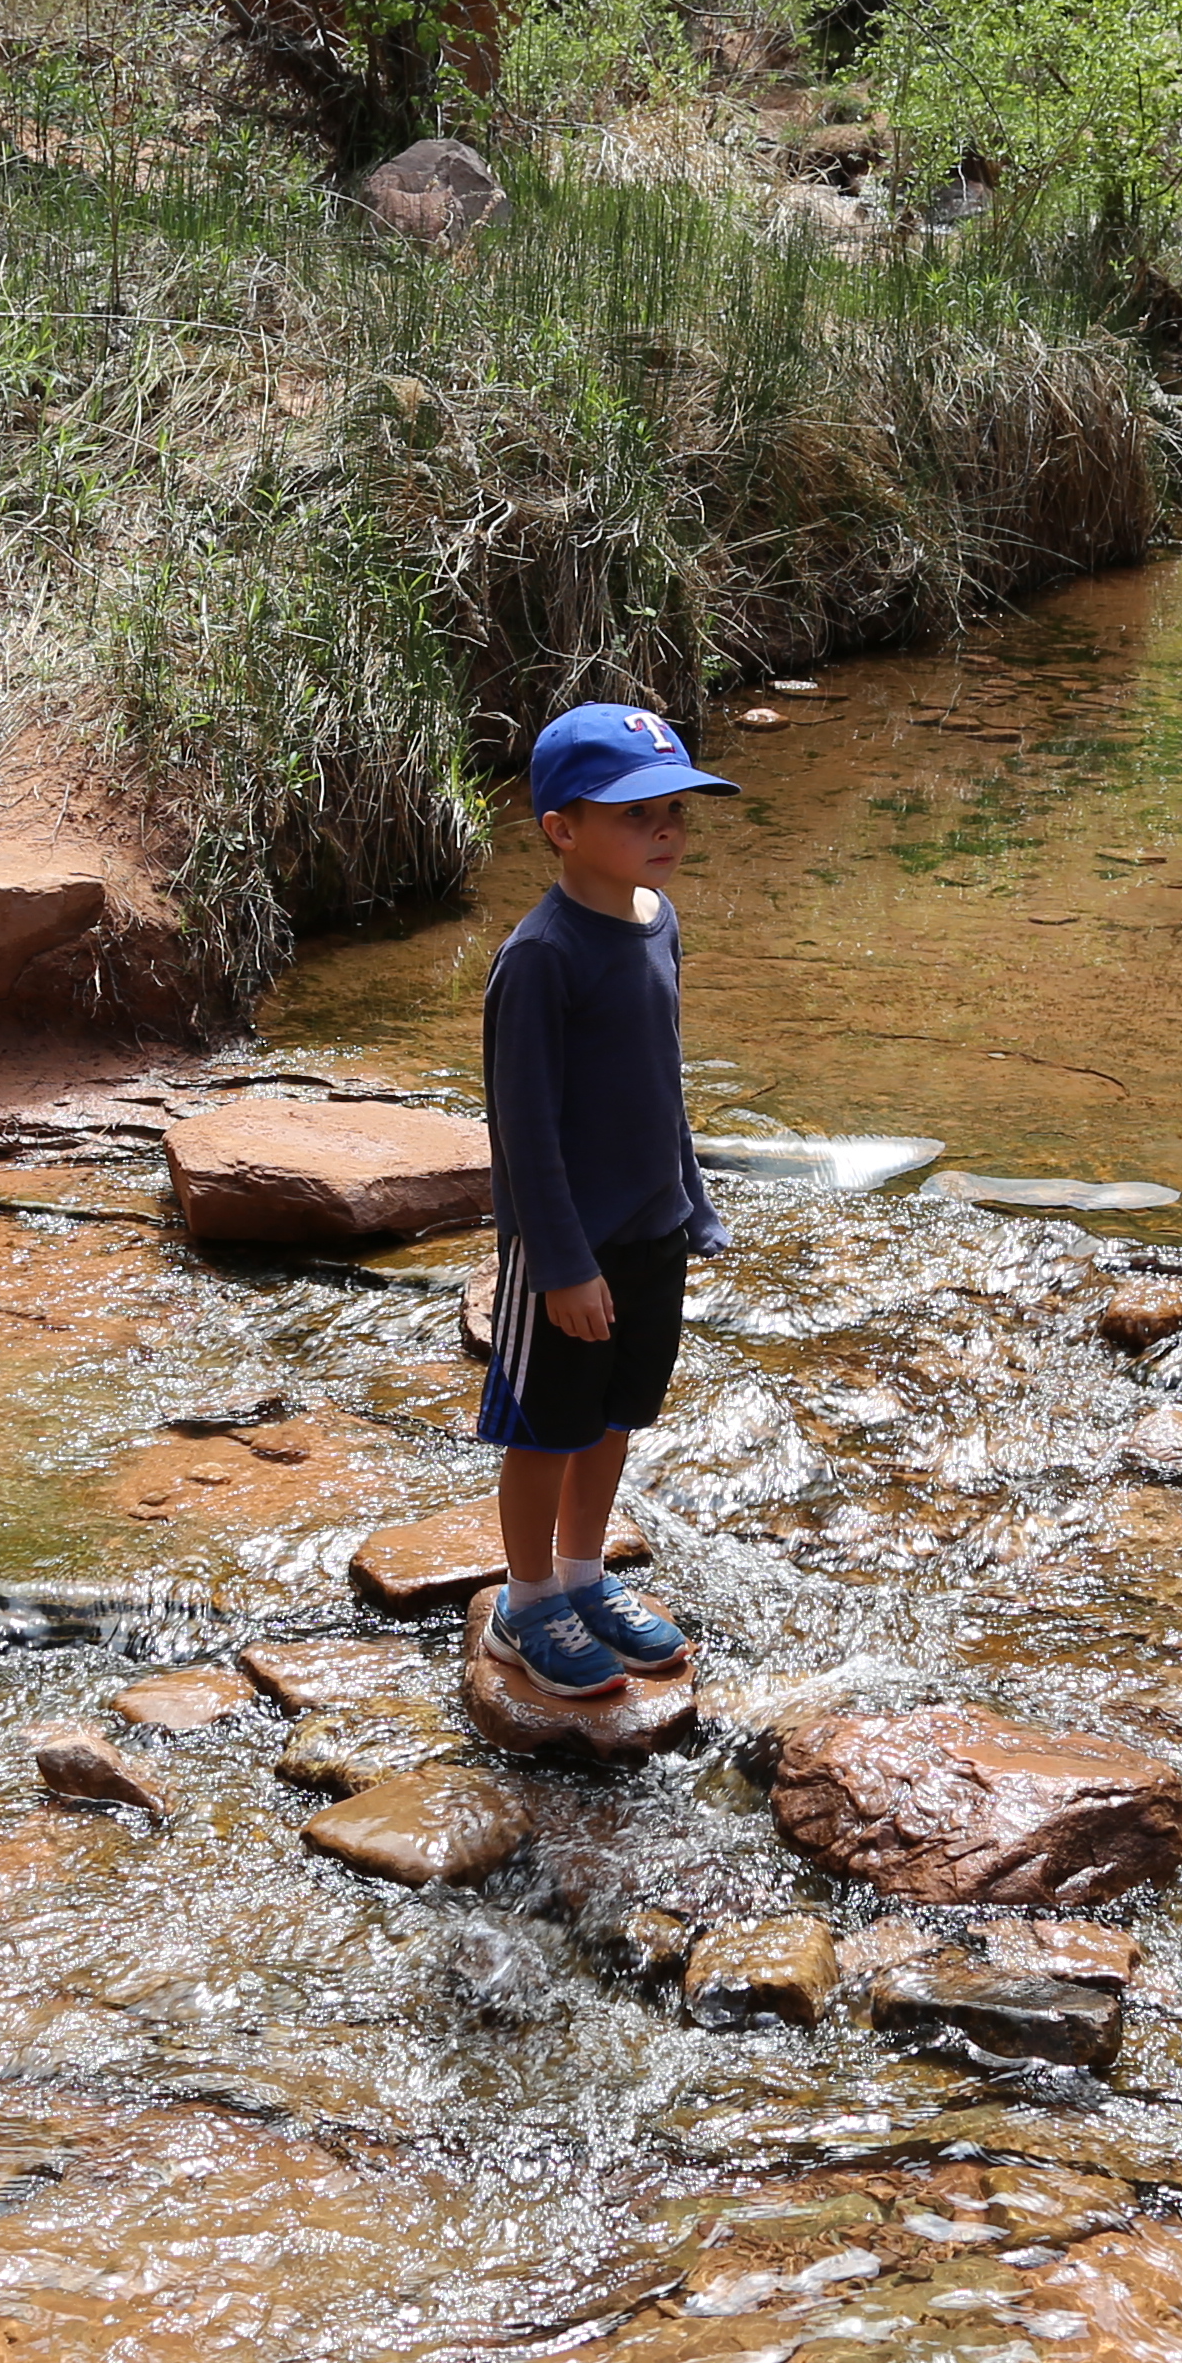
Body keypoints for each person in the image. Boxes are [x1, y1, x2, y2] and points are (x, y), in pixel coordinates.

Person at [475, 700, 740, 1694]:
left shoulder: (658, 921)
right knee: (549, 1426)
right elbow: (523, 1132)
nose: (665, 831)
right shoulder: (542, 958)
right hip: (569, 1248)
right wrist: (561, 1264)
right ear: (561, 829)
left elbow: (661, 1082)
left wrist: (691, 1203)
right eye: (635, 814)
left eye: (675, 811)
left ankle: (584, 1578)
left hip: (650, 1229)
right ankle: (525, 1600)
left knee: (619, 1413)